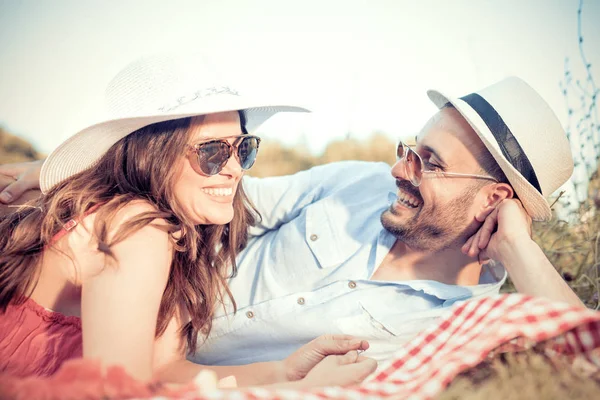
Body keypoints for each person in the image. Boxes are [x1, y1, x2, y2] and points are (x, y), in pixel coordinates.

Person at [0, 77, 584, 369]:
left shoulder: (471, 325)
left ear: (493, 199)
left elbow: (588, 361)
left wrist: (520, 249)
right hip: (112, 309)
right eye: (412, 147)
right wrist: (63, 170)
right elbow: (214, 189)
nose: (399, 167)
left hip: (182, 381)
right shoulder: (358, 183)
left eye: (429, 163)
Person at [0, 54, 377, 387]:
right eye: (212, 152)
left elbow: (163, 369)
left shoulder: (170, 235)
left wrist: (286, 372)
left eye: (243, 148)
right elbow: (118, 392)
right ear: (153, 156)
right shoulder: (139, 228)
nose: (233, 169)